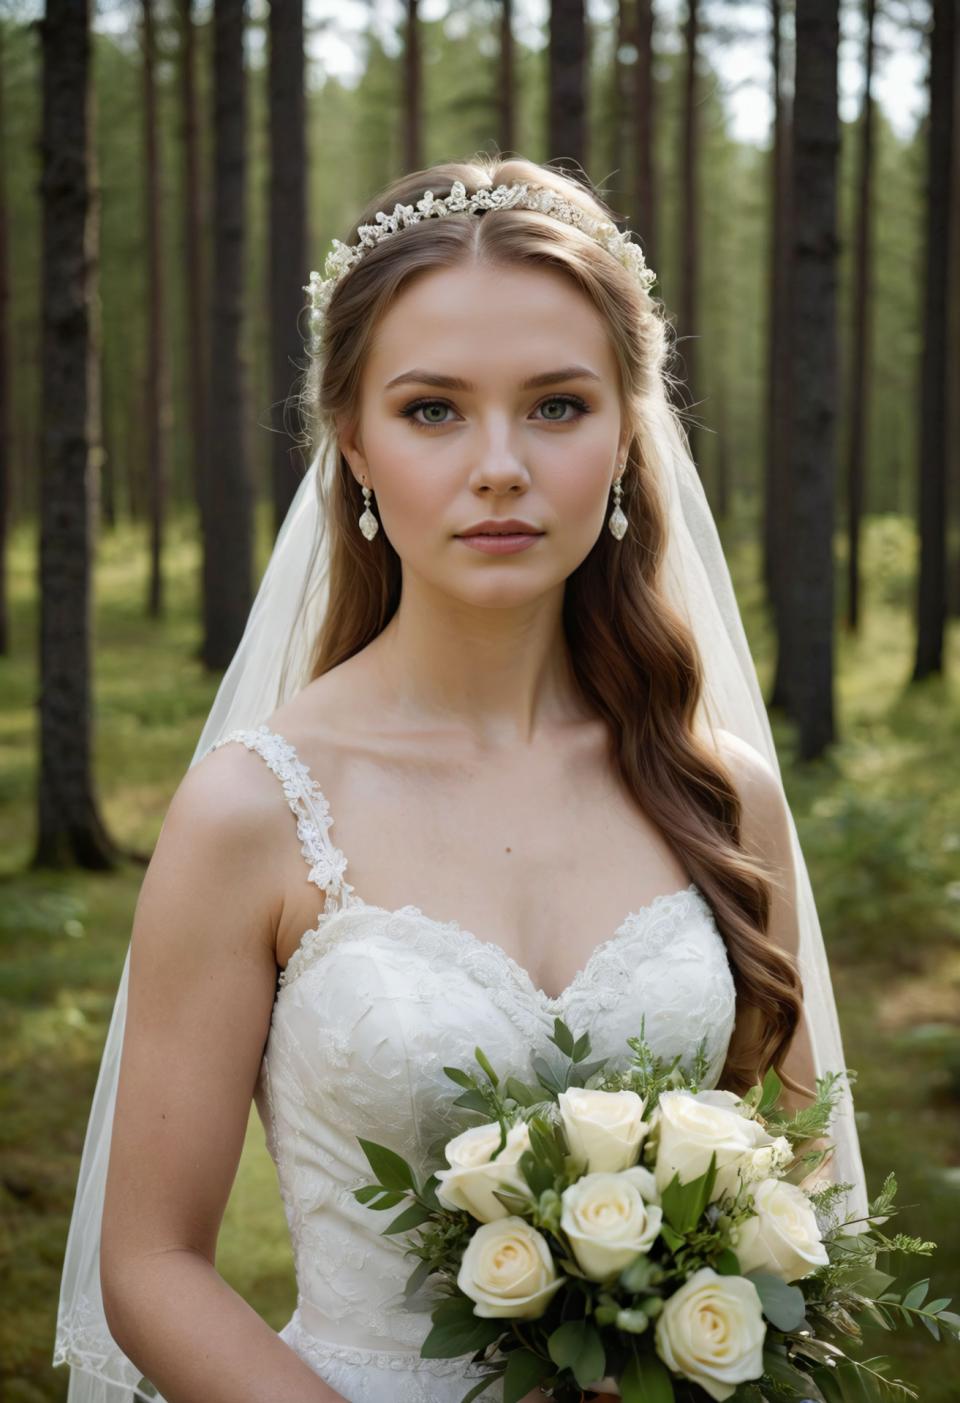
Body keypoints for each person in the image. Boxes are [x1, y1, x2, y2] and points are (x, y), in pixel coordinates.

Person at [53, 153, 868, 1403]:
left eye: (557, 405)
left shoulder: (724, 794)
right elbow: (153, 1261)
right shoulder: (255, 811)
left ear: (626, 433)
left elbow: (803, 1182)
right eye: (434, 408)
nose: (501, 465)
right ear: (355, 444)